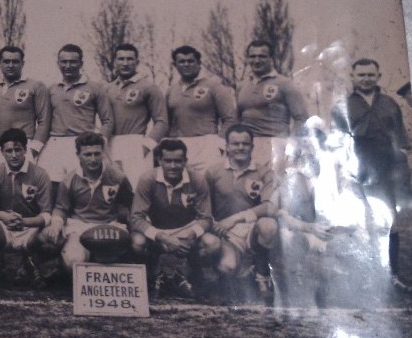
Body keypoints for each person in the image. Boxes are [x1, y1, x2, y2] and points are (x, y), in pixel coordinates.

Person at [330, 58, 412, 291]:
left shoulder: (390, 105)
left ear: (378, 76)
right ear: (353, 77)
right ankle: (364, 278)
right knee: (359, 224)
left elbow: (401, 143)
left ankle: (392, 275)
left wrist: (400, 177)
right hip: (355, 172)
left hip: (385, 172)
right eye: (361, 74)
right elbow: (336, 145)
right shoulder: (341, 107)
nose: (365, 78)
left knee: (388, 224)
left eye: (370, 74)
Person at [129, 139, 221, 298]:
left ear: (185, 161)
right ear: (159, 160)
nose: (173, 166)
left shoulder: (197, 179)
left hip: (187, 232)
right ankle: (153, 274)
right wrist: (162, 237)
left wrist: (191, 235)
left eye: (178, 161)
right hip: (158, 232)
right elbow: (136, 218)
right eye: (168, 161)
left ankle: (187, 273)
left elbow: (206, 218)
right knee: (137, 242)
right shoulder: (147, 179)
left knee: (212, 243)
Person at [0, 128, 54, 289]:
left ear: (25, 150)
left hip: (29, 229)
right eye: (9, 151)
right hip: (3, 228)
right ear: (2, 152)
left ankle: (32, 264)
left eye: (18, 150)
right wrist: (2, 216)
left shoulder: (40, 174)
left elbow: (47, 214)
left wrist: (25, 221)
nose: (14, 155)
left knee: (54, 234)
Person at [204, 124, 280, 303]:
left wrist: (236, 218)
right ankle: (216, 277)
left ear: (252, 146)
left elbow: (270, 207)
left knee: (269, 225)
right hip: (227, 234)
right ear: (227, 146)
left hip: (253, 230)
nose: (240, 148)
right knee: (227, 267)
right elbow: (204, 207)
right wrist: (215, 224)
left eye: (245, 144)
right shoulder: (213, 172)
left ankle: (262, 277)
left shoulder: (264, 172)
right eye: (235, 144)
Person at [44, 132, 133, 276]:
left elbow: (129, 203)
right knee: (73, 261)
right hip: (80, 226)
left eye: (97, 154)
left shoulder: (117, 176)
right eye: (88, 154)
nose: (93, 159)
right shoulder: (69, 179)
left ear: (103, 153)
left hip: (108, 225)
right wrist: (56, 223)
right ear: (78, 155)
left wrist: (130, 222)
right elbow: (61, 208)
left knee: (110, 265)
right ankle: (64, 265)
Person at [40, 44, 114, 186]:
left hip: (81, 143)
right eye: (64, 62)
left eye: (73, 62)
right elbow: (44, 120)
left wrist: (97, 144)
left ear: (81, 63)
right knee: (51, 185)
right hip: (55, 142)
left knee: (80, 186)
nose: (68, 66)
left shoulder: (95, 88)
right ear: (58, 63)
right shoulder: (51, 89)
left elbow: (108, 120)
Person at [235, 40, 309, 169]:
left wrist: (292, 145)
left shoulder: (284, 84)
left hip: (276, 144)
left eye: (262, 56)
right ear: (248, 59)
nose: (257, 60)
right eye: (253, 56)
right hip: (247, 146)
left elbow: (301, 118)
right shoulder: (242, 86)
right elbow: (236, 118)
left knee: (274, 186)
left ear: (271, 58)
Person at [166, 45, 237, 175]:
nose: (186, 65)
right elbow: (167, 122)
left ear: (199, 64)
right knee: (183, 189)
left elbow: (230, 118)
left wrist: (220, 144)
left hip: (207, 144)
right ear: (175, 65)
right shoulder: (171, 90)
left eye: (190, 61)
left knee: (207, 187)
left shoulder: (214, 86)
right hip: (179, 145)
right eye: (181, 61)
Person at [105, 43, 168, 188]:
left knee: (137, 189)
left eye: (130, 59)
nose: (125, 63)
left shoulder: (148, 87)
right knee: (112, 190)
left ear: (137, 62)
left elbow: (162, 121)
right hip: (111, 144)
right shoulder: (107, 88)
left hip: (135, 143)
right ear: (115, 62)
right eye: (121, 59)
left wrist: (146, 147)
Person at [0, 45, 51, 170]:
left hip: (23, 147)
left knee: (24, 187)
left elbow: (44, 121)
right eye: (6, 61)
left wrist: (33, 150)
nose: (10, 65)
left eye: (15, 61)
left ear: (22, 63)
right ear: (0, 63)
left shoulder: (35, 86)